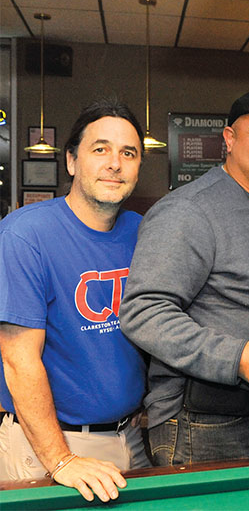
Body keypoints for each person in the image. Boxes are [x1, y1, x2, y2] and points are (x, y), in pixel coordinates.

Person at [120, 90, 249, 465]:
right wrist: (236, 358)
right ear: (229, 140)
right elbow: (143, 312)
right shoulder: (188, 210)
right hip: (201, 424)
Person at [0, 99, 150, 502]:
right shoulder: (24, 235)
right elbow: (18, 359)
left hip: (131, 437)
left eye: (128, 153)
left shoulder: (144, 233)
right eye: (100, 149)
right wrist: (61, 460)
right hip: (52, 447)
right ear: (70, 161)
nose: (115, 163)